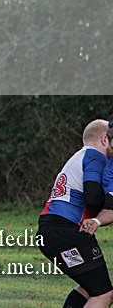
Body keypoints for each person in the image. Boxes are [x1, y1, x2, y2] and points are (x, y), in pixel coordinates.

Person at [47, 120, 113, 307]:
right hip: (67, 232)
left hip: (54, 232)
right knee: (104, 294)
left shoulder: (79, 156)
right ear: (104, 139)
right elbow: (92, 197)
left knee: (88, 288)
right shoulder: (95, 157)